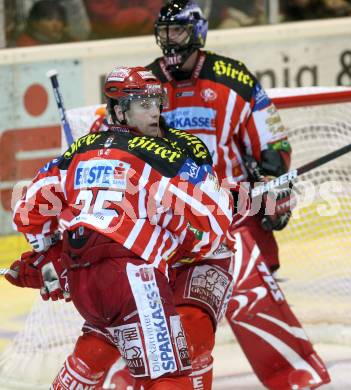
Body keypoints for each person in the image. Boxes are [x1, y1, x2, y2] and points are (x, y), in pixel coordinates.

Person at [5, 66, 234, 389]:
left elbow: (28, 208)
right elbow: (211, 223)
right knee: (169, 375)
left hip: (87, 280)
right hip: (135, 277)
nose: (155, 112)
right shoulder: (158, 155)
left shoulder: (78, 151)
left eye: (157, 102)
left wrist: (48, 251)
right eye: (144, 104)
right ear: (117, 109)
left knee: (97, 347)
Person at [144, 1, 330, 388]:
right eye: (164, 31)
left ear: (196, 32)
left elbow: (272, 142)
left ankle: (296, 379)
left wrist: (275, 187)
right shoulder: (143, 86)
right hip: (169, 221)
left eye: (176, 31)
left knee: (252, 299)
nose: (169, 40)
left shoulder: (233, 79)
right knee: (161, 314)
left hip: (229, 216)